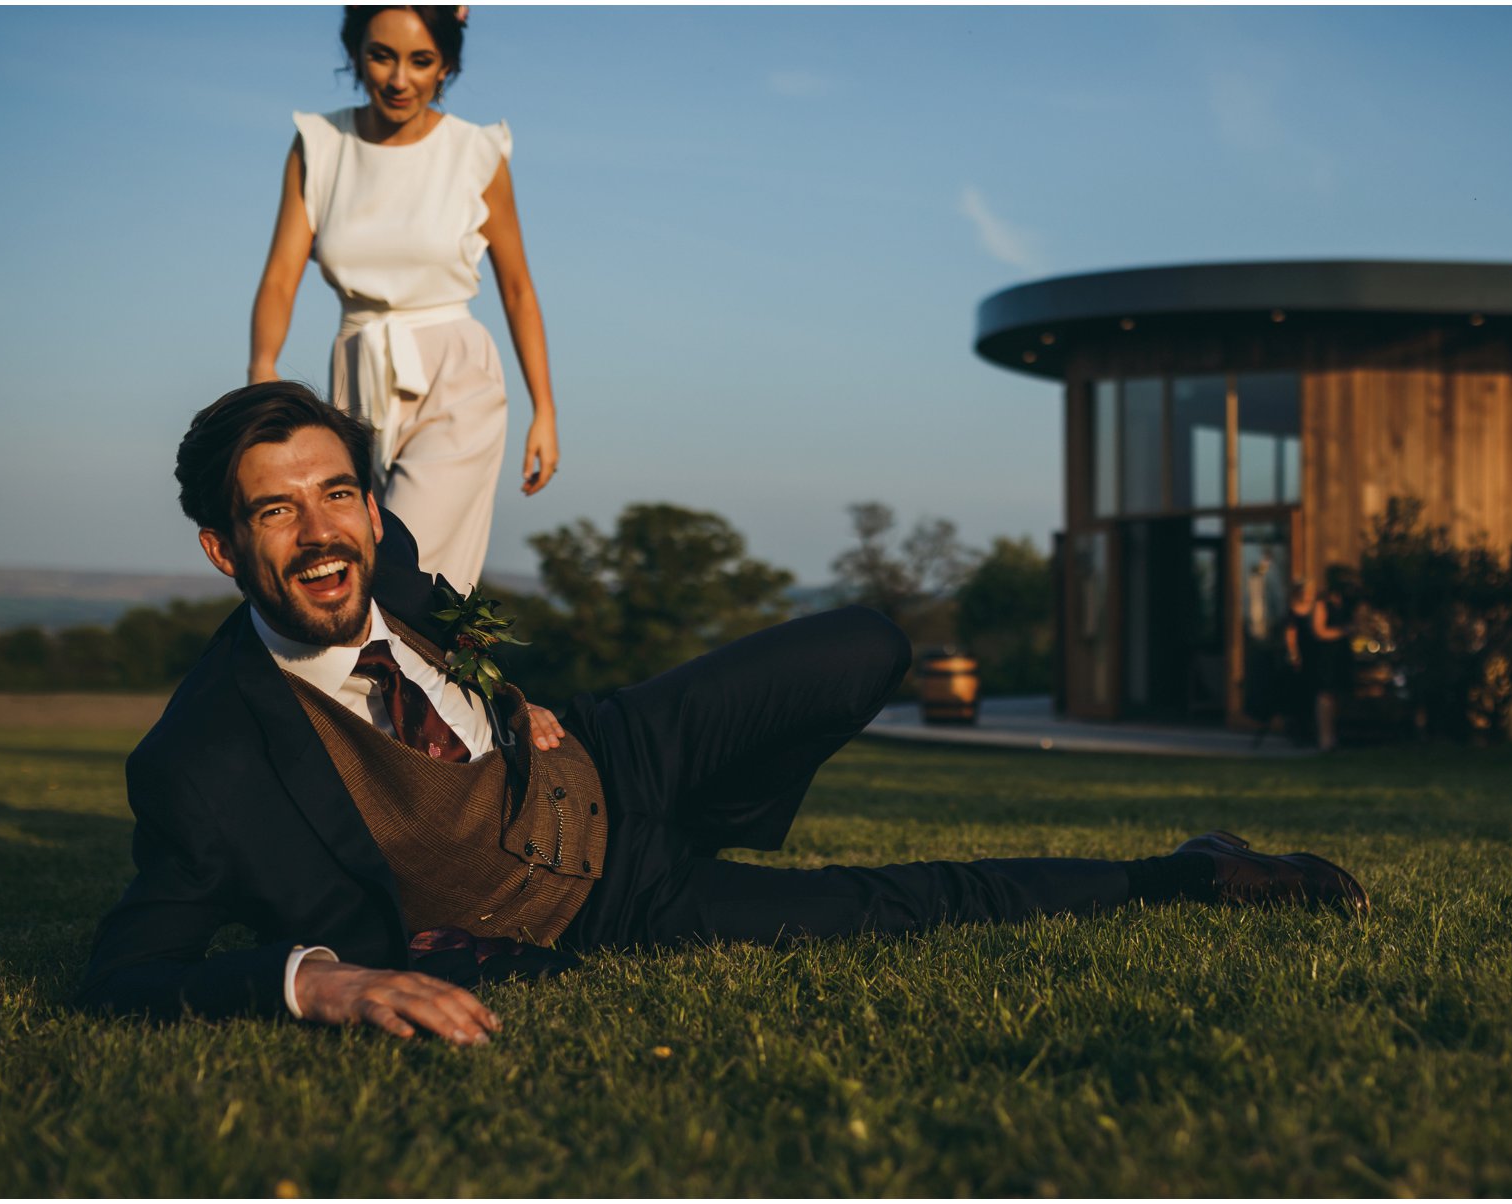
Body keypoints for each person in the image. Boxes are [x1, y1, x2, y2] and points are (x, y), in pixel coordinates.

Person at [77, 383, 1370, 1043]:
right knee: (891, 909)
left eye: (337, 493)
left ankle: (730, 811)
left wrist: (505, 691)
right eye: (275, 510)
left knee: (865, 644)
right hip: (599, 905)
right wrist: (326, 983)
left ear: (368, 501)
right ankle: (1187, 878)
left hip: (617, 754)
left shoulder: (387, 555)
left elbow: (442, 618)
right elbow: (126, 975)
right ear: (221, 549)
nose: (320, 534)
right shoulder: (199, 762)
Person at [248, 5, 558, 593]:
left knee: (410, 569)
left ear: (446, 66)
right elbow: (281, 276)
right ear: (355, 52)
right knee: (350, 562)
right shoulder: (319, 144)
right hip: (353, 378)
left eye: (421, 61)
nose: (398, 78)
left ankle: (442, 685)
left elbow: (517, 288)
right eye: (381, 55)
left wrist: (545, 409)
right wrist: (262, 370)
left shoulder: (477, 153)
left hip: (455, 376)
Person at [1285, 578, 1352, 751]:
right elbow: (1293, 635)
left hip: (1316, 655)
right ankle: (1316, 736)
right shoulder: (1300, 611)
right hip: (1308, 658)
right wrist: (1294, 655)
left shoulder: (1316, 607)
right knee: (1316, 695)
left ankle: (1321, 735)